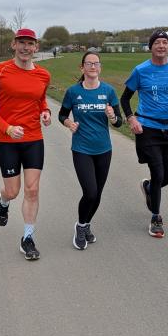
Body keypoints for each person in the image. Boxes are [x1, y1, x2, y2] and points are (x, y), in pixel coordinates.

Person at [0, 28, 51, 260]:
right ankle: (3, 201)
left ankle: (27, 238)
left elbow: (41, 100)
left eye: (30, 44)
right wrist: (8, 128)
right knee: (13, 191)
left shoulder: (43, 75)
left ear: (36, 47)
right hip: (7, 141)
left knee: (32, 190)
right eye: (21, 42)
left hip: (34, 139)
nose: (25, 48)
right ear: (14, 44)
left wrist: (46, 112)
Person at [120, 30, 168, 238]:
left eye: (164, 42)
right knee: (158, 173)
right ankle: (156, 218)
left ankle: (149, 187)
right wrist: (131, 119)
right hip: (148, 128)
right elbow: (125, 98)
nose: (161, 46)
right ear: (150, 47)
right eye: (157, 42)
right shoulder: (140, 70)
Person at [59, 50, 123, 250]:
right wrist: (69, 123)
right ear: (82, 68)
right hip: (82, 149)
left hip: (104, 149)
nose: (93, 66)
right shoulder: (73, 92)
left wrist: (112, 117)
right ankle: (80, 226)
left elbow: (119, 122)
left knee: (98, 194)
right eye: (89, 63)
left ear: (100, 67)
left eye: (96, 63)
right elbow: (62, 115)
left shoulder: (109, 91)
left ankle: (86, 224)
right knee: (90, 192)